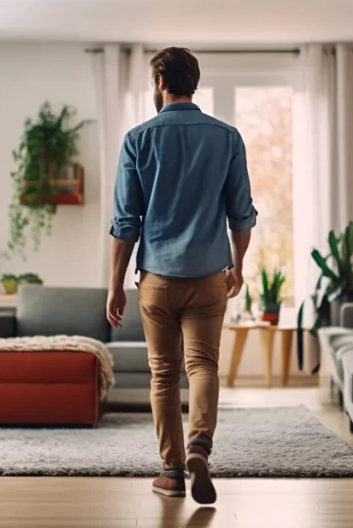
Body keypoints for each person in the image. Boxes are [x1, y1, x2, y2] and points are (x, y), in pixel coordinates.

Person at [106, 47, 257, 505]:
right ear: (194, 82)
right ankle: (200, 445)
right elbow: (242, 215)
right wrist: (239, 265)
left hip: (157, 279)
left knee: (164, 375)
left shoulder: (138, 138)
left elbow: (124, 222)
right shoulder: (226, 137)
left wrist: (115, 285)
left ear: (158, 81)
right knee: (203, 367)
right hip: (210, 274)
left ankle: (171, 473)